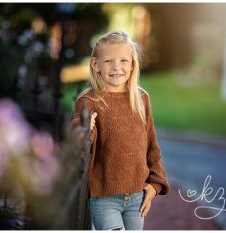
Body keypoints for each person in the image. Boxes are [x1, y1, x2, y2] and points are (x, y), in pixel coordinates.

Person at [71, 30, 170, 230]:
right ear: (95, 64)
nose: (117, 67)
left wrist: (155, 184)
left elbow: (151, 144)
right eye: (108, 61)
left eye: (124, 60)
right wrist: (82, 128)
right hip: (103, 198)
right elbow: (80, 144)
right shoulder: (88, 101)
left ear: (133, 64)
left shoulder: (141, 99)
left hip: (137, 197)